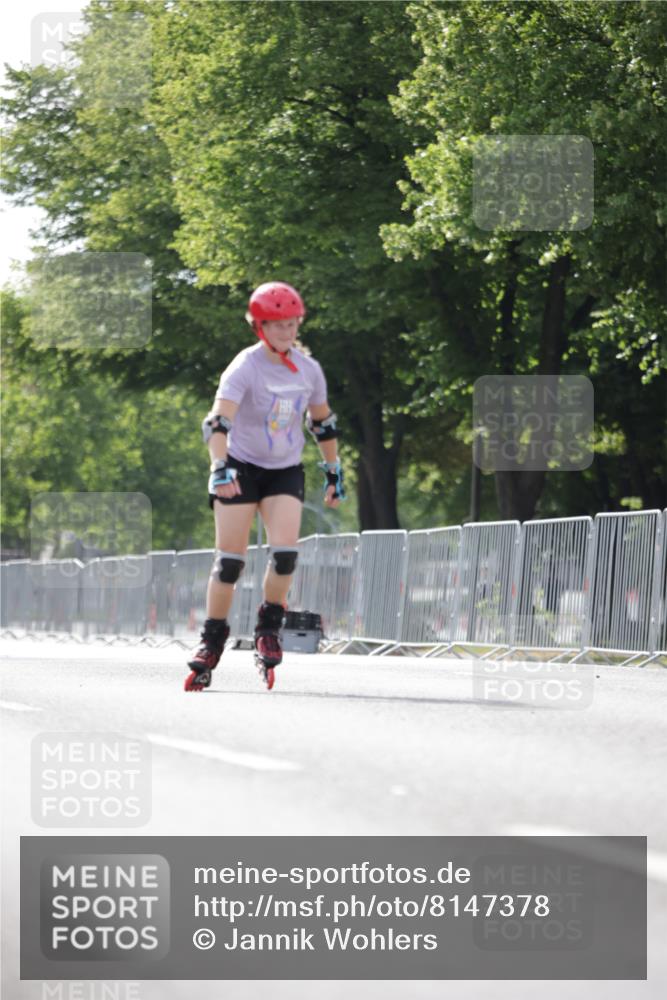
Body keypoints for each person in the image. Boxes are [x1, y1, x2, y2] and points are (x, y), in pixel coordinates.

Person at [184, 281, 345, 692]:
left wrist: (334, 471)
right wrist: (219, 465)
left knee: (286, 556)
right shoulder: (245, 366)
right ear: (259, 326)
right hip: (239, 466)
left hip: (283, 470)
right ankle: (212, 640)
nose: (287, 333)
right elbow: (217, 421)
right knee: (230, 563)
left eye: (292, 324)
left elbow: (323, 424)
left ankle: (268, 626)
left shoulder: (309, 370)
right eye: (277, 326)